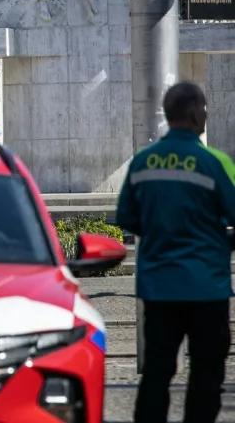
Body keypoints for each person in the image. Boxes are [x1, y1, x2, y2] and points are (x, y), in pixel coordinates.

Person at [116, 81, 235, 423]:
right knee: (206, 374)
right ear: (196, 114)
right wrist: (221, 243)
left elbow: (126, 218)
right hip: (206, 287)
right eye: (204, 110)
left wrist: (161, 232)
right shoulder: (214, 162)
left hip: (159, 288)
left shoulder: (142, 163)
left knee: (156, 373)